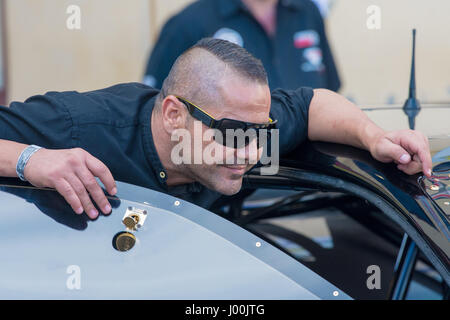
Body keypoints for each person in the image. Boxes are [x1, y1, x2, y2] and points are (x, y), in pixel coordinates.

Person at [0, 38, 431, 220]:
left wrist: (375, 137)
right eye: (229, 132)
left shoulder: (248, 133)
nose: (249, 153)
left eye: (260, 133)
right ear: (173, 115)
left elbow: (312, 101)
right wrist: (29, 159)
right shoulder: (77, 124)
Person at [144, 0, 340, 92]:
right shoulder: (188, 23)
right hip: (232, 167)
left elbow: (330, 91)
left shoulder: (307, 13)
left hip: (308, 169)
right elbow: (156, 108)